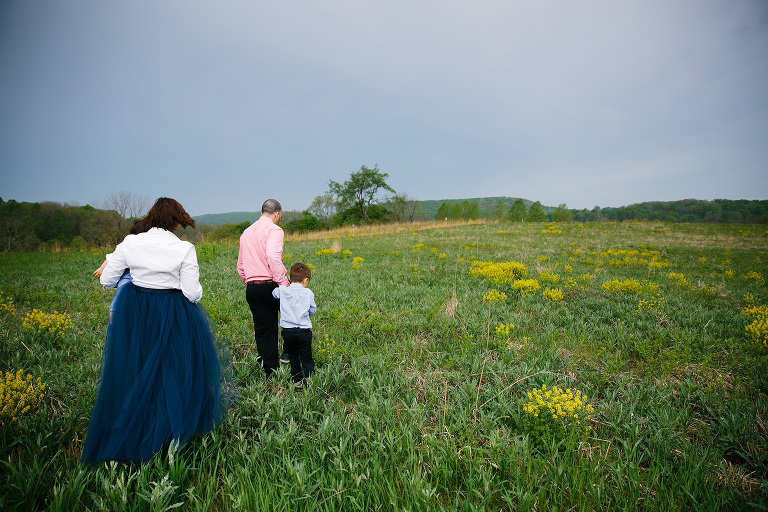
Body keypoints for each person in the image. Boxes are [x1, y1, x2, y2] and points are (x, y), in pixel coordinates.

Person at [81, 197, 237, 466]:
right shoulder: (184, 249)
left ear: (151, 216)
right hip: (173, 311)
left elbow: (107, 280)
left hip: (136, 311)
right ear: (176, 221)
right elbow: (191, 292)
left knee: (137, 368)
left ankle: (135, 429)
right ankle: (169, 434)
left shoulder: (130, 243)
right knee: (173, 369)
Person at [237, 199, 290, 378]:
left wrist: (250, 281)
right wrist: (283, 283)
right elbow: (273, 258)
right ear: (276, 214)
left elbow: (240, 266)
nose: (279, 220)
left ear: (262, 212)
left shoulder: (246, 232)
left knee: (263, 329)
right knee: (294, 317)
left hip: (252, 287)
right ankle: (288, 354)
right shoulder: (275, 230)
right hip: (271, 284)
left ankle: (269, 371)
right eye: (280, 217)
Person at [272, 263, 317, 390]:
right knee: (306, 356)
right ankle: (310, 380)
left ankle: (297, 381)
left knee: (293, 356)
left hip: (287, 331)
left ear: (290, 279)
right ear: (305, 280)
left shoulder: (283, 290)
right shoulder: (308, 293)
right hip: (303, 331)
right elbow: (313, 310)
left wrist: (284, 285)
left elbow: (274, 293)